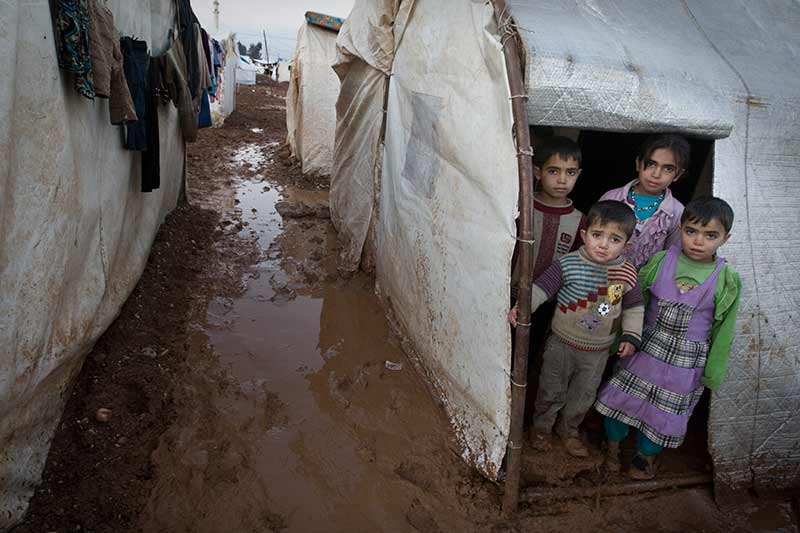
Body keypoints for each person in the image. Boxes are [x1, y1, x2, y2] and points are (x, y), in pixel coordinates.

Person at [594, 197, 742, 480]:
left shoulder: (727, 279)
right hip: (644, 349)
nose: (698, 241)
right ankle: (611, 449)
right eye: (691, 231)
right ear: (680, 228)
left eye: (710, 235)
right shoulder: (662, 261)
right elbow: (635, 302)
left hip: (684, 365)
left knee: (663, 413)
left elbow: (725, 330)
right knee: (621, 398)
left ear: (726, 238)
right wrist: (620, 338)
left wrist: (713, 372)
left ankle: (644, 458)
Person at [509, 201, 644, 457]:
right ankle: (541, 428)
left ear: (626, 246)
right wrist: (522, 307)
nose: (603, 244)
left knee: (583, 396)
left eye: (614, 239)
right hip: (561, 343)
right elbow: (541, 289)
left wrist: (631, 336)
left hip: (597, 352)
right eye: (597, 235)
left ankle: (569, 430)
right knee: (551, 388)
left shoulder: (626, 274)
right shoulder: (568, 264)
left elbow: (634, 307)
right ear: (584, 235)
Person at [600, 134, 691, 269]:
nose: (656, 174)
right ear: (638, 163)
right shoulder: (612, 197)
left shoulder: (677, 212)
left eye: (668, 169)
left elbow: (671, 258)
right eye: (651, 164)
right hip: (599, 276)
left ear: (677, 174)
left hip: (643, 286)